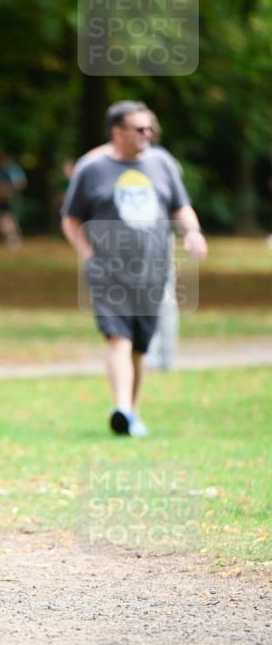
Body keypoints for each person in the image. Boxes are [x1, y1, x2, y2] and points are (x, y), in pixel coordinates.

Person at [61, 100, 207, 436]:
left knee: (139, 346)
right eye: (140, 129)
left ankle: (131, 412)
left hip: (153, 271)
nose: (148, 134)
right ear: (118, 132)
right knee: (118, 337)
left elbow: (181, 206)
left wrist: (194, 233)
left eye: (150, 128)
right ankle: (122, 408)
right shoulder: (92, 167)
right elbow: (70, 218)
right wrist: (86, 253)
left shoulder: (162, 163)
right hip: (108, 271)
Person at [0, 151, 27, 247]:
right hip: (0, 198)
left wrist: (10, 189)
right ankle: (10, 238)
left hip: (10, 198)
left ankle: (13, 238)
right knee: (1, 219)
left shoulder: (13, 169)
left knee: (8, 218)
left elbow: (21, 183)